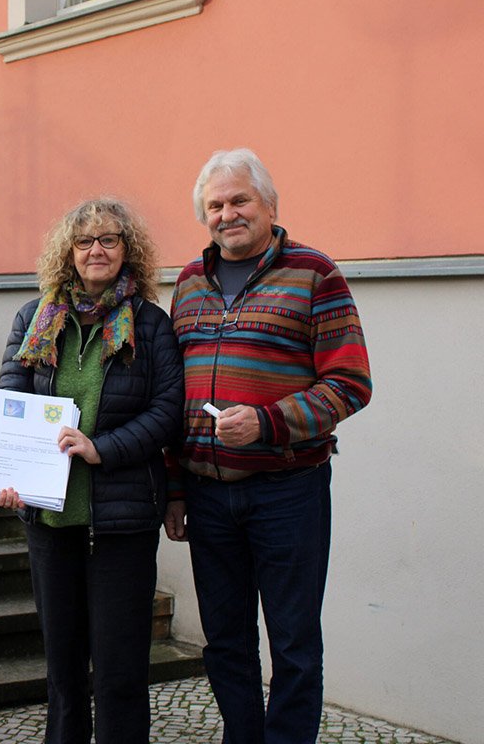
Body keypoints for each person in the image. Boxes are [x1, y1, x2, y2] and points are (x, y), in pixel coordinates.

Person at [164, 148, 372, 744]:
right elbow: (175, 393)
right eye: (215, 205)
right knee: (225, 641)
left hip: (288, 491)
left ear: (269, 206)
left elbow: (350, 383)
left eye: (239, 201)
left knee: (294, 641)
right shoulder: (187, 282)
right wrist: (175, 488)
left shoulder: (315, 273)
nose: (227, 214)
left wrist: (268, 423)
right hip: (206, 494)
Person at [0, 198, 183, 744]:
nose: (95, 250)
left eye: (108, 240)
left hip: (121, 522)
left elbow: (168, 411)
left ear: (129, 252)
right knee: (64, 669)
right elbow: (11, 403)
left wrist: (103, 448)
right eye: (84, 241)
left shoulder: (149, 325)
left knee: (121, 670)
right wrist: (7, 477)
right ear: (67, 253)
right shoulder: (34, 321)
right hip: (50, 522)